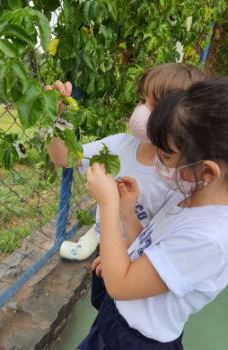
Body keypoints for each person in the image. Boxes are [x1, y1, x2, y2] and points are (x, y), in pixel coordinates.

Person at [78, 78, 228, 350]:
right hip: (118, 317)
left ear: (207, 171)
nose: (157, 159)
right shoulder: (190, 196)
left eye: (166, 155)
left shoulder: (209, 239)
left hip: (138, 341)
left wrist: (108, 205)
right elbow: (151, 248)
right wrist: (127, 215)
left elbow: (120, 284)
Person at [46, 63, 205, 309]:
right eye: (142, 100)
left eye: (153, 105)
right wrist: (53, 119)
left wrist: (122, 256)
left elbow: (160, 247)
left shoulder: (180, 181)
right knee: (104, 312)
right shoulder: (120, 146)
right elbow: (64, 157)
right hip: (105, 254)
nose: (141, 110)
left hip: (137, 270)